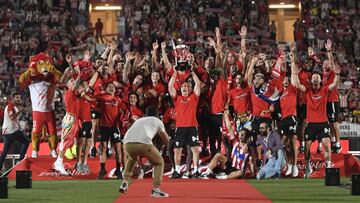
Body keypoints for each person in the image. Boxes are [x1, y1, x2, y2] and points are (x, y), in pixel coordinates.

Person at [292, 40, 340, 178]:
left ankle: (329, 168)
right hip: (311, 123)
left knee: (326, 145)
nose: (315, 78)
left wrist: (336, 74)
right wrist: (294, 71)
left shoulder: (325, 89)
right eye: (313, 77)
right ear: (311, 80)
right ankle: (308, 167)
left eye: (317, 77)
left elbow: (333, 85)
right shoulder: (307, 90)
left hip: (323, 122)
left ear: (320, 80)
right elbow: (296, 84)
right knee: (306, 148)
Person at [119, 106, 170, 198]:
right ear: (157, 115)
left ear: (146, 114)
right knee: (159, 162)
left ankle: (124, 182)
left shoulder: (139, 120)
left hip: (127, 144)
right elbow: (166, 140)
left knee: (132, 158)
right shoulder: (157, 121)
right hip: (143, 143)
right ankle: (156, 189)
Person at [168, 68, 202, 178]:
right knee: (177, 150)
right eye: (182, 86)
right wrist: (174, 73)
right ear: (180, 89)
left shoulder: (194, 97)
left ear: (189, 89)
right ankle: (177, 171)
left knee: (195, 149)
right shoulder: (177, 99)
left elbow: (198, 84)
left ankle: (196, 171)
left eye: (186, 86)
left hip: (192, 126)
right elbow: (170, 87)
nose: (184, 87)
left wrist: (192, 71)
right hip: (180, 128)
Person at [0, 92, 30, 171]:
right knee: (26, 142)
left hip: (10, 131)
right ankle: (20, 161)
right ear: (13, 98)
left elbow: (13, 120)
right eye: (17, 97)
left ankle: (0, 167)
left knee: (5, 151)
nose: (19, 99)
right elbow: (12, 118)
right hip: (11, 131)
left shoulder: (14, 106)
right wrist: (20, 111)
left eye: (19, 97)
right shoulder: (11, 105)